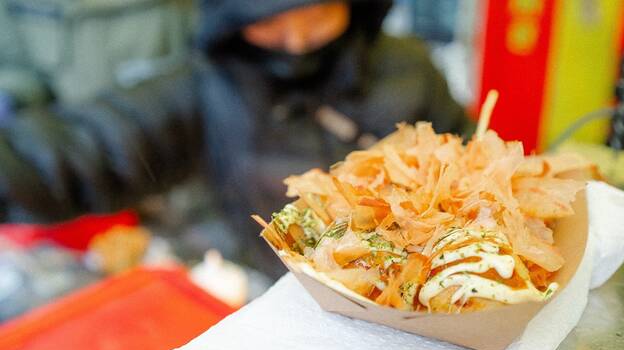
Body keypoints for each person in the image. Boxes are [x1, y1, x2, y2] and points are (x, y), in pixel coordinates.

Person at [0, 0, 470, 278]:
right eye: (271, 19)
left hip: (417, 283)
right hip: (273, 292)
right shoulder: (202, 87)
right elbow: (81, 148)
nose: (298, 40)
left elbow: (463, 159)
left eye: (319, 11)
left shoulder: (409, 66)